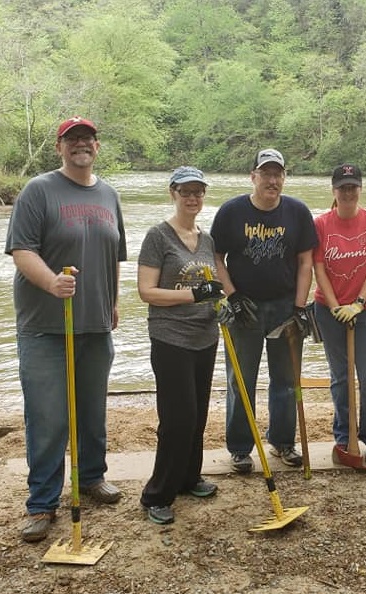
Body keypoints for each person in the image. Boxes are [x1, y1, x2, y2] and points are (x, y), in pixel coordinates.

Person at [5, 116, 127, 542]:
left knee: (91, 410)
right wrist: (51, 282)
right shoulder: (38, 191)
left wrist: (112, 301)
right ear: (59, 147)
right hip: (44, 327)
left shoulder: (109, 195)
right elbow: (21, 251)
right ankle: (42, 503)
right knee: (49, 416)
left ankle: (92, 478)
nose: (81, 145)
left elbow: (114, 254)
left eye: (87, 139)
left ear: (97, 146)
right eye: (72, 139)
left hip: (94, 326)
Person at [210, 148, 318, 473]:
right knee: (241, 379)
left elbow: (305, 262)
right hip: (245, 307)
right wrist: (232, 296)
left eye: (278, 174)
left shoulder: (297, 212)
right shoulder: (231, 212)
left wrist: (300, 307)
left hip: (285, 305)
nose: (272, 180)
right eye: (266, 173)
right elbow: (215, 257)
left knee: (286, 380)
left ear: (284, 177)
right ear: (253, 176)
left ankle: (283, 442)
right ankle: (241, 448)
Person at [137, 166, 226, 525]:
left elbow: (215, 287)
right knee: (178, 418)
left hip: (205, 337)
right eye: (186, 191)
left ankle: (190, 477)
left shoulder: (206, 239)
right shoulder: (158, 236)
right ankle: (156, 493)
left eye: (198, 192)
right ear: (172, 192)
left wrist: (220, 305)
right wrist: (194, 294)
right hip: (170, 338)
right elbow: (147, 292)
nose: (193, 198)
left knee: (199, 413)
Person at [313, 164, 366, 464]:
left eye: (352, 186)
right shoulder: (320, 224)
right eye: (342, 187)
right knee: (340, 377)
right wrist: (334, 307)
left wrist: (358, 302)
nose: (348, 192)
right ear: (333, 190)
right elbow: (318, 267)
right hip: (328, 309)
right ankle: (345, 437)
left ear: (360, 189)